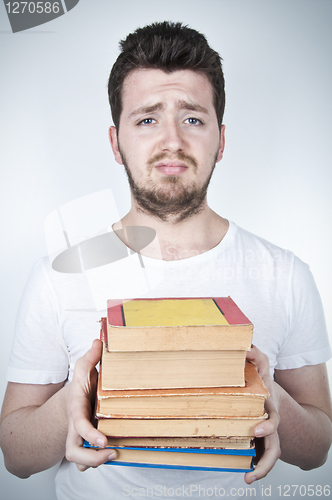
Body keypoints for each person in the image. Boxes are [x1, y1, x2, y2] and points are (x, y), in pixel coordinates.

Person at [0, 21, 331, 500]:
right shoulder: (58, 275)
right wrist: (77, 398)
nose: (172, 141)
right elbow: (16, 457)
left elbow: (318, 448)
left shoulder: (285, 275)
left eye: (193, 118)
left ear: (221, 138)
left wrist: (262, 390)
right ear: (116, 143)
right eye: (147, 119)